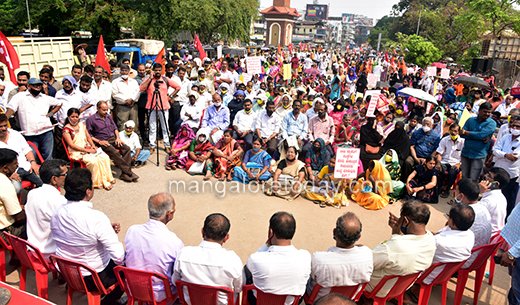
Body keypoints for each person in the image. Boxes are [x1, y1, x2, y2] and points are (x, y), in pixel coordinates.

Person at [50, 169, 124, 304]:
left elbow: (73, 237)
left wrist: (106, 230)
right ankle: (109, 302)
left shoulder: (57, 213)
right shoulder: (96, 218)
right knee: (127, 266)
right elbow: (119, 257)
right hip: (93, 277)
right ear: (88, 192)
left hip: (68, 273)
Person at [364, 201, 435, 300]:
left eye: (401, 218)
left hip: (378, 289)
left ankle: (363, 300)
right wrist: (397, 232)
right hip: (401, 287)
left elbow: (366, 263)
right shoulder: (430, 239)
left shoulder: (393, 247)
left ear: (406, 221)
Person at [405, 203, 475, 302]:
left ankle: (410, 290)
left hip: (428, 275)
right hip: (444, 274)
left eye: (448, 216)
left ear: (453, 222)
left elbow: (417, 249)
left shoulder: (438, 242)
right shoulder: (470, 235)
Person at [172, 213, 243, 305]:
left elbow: (175, 282)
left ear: (202, 232)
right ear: (226, 238)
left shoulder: (183, 254)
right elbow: (239, 288)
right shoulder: (233, 260)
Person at [125, 193, 184, 302]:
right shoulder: (174, 242)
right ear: (169, 214)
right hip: (160, 293)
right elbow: (178, 275)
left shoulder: (132, 231)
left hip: (134, 288)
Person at [245, 212, 311, 305]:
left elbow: (250, 263)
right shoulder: (305, 257)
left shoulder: (257, 259)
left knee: (247, 269)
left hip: (259, 302)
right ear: (293, 233)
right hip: (291, 303)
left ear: (271, 232)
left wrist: (267, 243)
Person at [307, 212, 373, 300]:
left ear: (334, 232)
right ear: (359, 236)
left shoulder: (318, 259)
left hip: (320, 301)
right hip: (347, 300)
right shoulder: (367, 255)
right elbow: (362, 247)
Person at [6, 78, 62, 160]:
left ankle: (48, 172)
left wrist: (50, 114)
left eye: (39, 85)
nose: (38, 87)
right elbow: (11, 109)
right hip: (30, 134)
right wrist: (3, 120)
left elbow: (59, 103)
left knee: (47, 157)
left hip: (46, 132)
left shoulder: (44, 97)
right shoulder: (19, 97)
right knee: (32, 158)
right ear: (28, 86)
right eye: (35, 85)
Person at [63, 108, 115, 190]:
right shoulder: (66, 130)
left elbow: (88, 136)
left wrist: (92, 145)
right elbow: (71, 145)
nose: (74, 119)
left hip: (87, 147)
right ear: (68, 117)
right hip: (77, 151)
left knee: (104, 157)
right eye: (72, 117)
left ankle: (107, 179)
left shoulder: (81, 124)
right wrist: (87, 150)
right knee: (93, 161)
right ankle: (96, 182)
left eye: (76, 117)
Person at [25, 159, 68, 259]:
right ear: (54, 179)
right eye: (65, 175)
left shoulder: (32, 193)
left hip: (33, 249)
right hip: (51, 253)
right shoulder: (59, 200)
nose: (67, 177)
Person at [86, 101, 138, 183]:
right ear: (97, 109)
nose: (106, 112)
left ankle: (124, 173)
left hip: (113, 138)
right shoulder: (91, 119)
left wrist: (117, 138)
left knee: (126, 148)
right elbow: (89, 135)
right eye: (103, 110)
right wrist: (99, 142)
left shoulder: (108, 116)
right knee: (115, 153)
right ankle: (129, 172)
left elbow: (115, 128)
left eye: (106, 110)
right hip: (103, 141)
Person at [140, 63, 181, 154]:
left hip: (164, 106)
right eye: (156, 70)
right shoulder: (150, 80)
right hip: (151, 106)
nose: (157, 72)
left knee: (164, 126)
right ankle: (152, 145)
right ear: (153, 70)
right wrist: (150, 78)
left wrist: (170, 96)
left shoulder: (165, 80)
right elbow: (142, 88)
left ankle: (167, 145)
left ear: (161, 71)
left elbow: (178, 87)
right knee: (152, 127)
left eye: (159, 70)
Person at [453, 178, 492, 268]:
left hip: (465, 260)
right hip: (478, 257)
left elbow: (451, 238)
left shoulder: (464, 214)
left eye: (456, 190)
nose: (454, 192)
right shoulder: (482, 208)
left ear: (461, 196)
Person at [0, 113, 43, 193]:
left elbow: (27, 150)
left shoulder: (15, 134)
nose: (3, 128)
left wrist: (33, 163)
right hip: (10, 172)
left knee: (44, 183)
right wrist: (7, 174)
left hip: (26, 167)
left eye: (5, 125)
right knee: (14, 189)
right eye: (0, 126)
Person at [460, 102, 496, 181]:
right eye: (485, 111)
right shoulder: (470, 120)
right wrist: (478, 136)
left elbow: (481, 135)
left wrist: (467, 133)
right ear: (479, 110)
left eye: (489, 112)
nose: (487, 114)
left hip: (478, 155)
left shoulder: (492, 123)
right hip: (466, 153)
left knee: (473, 180)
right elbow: (461, 134)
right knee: (464, 177)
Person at [493, 117, 520, 216]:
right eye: (513, 125)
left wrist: (501, 155)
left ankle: (505, 219)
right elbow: (495, 150)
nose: (515, 128)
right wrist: (505, 155)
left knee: (507, 198)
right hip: (498, 171)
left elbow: (514, 157)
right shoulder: (506, 137)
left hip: (511, 174)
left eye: (518, 126)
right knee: (493, 195)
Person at [0, 148, 26, 240]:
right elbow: (19, 218)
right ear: (5, 168)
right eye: (15, 163)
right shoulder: (4, 184)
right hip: (3, 232)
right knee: (32, 224)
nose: (17, 165)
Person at [498, 200, 520, 305]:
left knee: (518, 290)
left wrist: (512, 254)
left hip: (517, 251)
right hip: (515, 246)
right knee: (515, 286)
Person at [435, 124, 464, 198]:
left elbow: (464, 157)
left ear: (458, 132)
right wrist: (438, 163)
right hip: (445, 161)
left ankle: (447, 190)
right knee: (437, 170)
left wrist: (459, 164)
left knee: (452, 173)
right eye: (452, 130)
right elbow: (439, 153)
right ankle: (441, 186)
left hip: (456, 163)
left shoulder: (462, 142)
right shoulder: (444, 140)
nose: (453, 132)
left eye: (455, 131)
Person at [479, 167, 509, 235]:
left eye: (489, 176)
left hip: (487, 235)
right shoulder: (502, 197)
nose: (485, 176)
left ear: (496, 184)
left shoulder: (488, 201)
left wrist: (477, 191)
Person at [112, 64, 140, 130]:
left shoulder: (133, 81)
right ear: (120, 71)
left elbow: (137, 92)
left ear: (129, 71)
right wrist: (126, 101)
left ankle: (132, 140)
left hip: (133, 106)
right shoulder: (115, 82)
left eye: (126, 70)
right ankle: (122, 140)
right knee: (122, 126)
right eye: (122, 70)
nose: (124, 72)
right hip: (122, 107)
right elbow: (115, 95)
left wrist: (132, 100)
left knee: (133, 125)